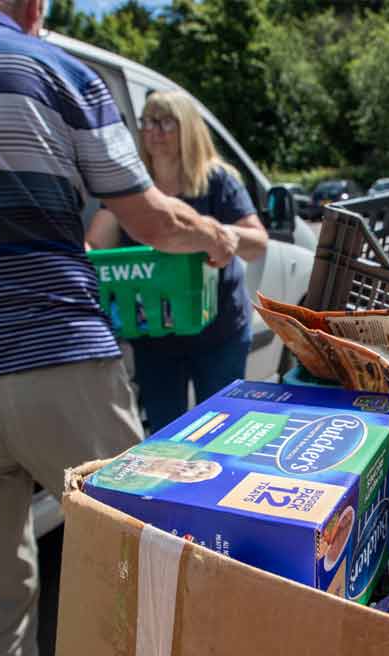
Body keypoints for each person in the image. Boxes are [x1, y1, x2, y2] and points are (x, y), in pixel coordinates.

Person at [0, 2, 236, 656]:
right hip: (57, 359)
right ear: (34, 7)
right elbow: (150, 220)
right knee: (136, 564)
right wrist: (216, 236)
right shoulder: (60, 72)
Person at [87, 91, 268, 433]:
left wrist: (218, 234)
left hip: (219, 329)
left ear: (188, 128)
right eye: (147, 122)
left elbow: (257, 243)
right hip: (153, 331)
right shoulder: (131, 188)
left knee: (222, 429)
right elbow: (96, 244)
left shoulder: (218, 180)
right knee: (166, 434)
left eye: (165, 121)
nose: (154, 130)